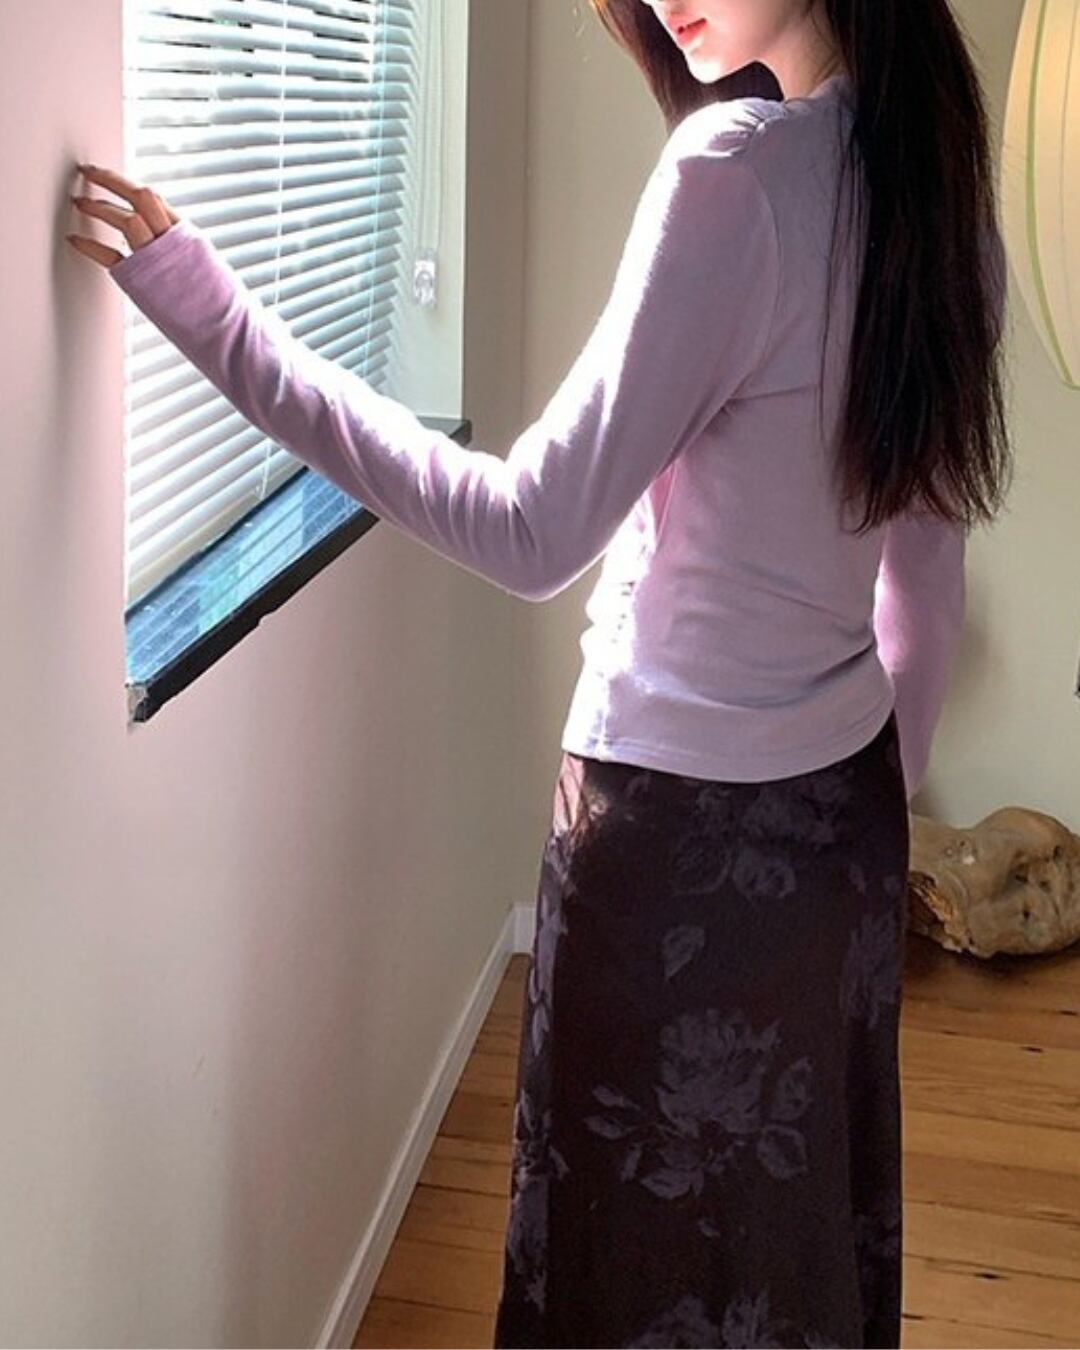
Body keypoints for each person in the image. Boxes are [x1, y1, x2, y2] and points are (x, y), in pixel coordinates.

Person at [67, 0, 1012, 1343]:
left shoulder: (737, 176)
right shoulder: (941, 193)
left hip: (672, 840)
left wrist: (216, 319)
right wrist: (869, 803)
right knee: (794, 1248)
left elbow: (529, 530)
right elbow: (926, 572)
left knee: (627, 1269)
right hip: (840, 831)